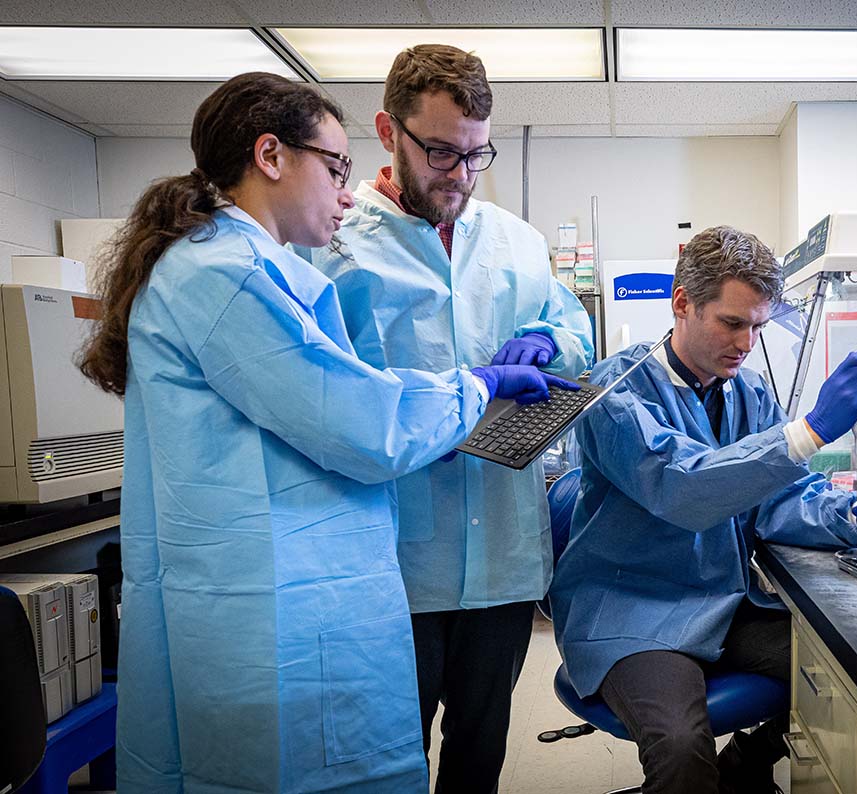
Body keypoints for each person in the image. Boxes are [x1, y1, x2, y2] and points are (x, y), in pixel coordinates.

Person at [77, 72, 573, 794]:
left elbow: (339, 399)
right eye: (335, 169)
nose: (347, 193)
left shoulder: (239, 263)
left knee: (454, 746)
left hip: (361, 567)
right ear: (271, 156)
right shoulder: (229, 271)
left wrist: (540, 343)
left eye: (475, 155)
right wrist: (478, 385)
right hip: (280, 585)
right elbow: (362, 419)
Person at [297, 44, 593, 793]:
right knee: (388, 762)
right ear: (386, 131)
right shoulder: (334, 248)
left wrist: (552, 338)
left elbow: (578, 335)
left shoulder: (516, 242)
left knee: (479, 755)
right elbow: (321, 403)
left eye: (474, 154)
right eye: (439, 152)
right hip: (390, 562)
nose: (459, 174)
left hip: (501, 556)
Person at [549, 226, 857, 794]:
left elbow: (776, 501)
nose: (745, 344)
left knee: (847, 671)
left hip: (719, 600)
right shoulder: (613, 392)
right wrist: (809, 431)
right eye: (732, 323)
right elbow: (683, 489)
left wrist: (849, 516)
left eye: (758, 327)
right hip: (632, 614)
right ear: (683, 304)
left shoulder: (749, 392)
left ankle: (744, 765)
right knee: (680, 748)